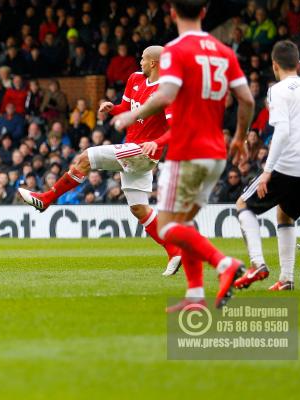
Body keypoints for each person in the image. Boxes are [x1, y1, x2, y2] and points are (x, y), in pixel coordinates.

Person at [112, 0, 255, 311]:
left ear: (173, 14)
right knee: (185, 223)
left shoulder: (175, 51)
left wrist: (129, 115)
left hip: (188, 150)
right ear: (204, 13)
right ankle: (195, 297)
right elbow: (246, 99)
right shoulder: (223, 51)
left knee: (166, 226)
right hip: (217, 151)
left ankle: (223, 262)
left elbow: (164, 95)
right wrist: (241, 138)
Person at [18, 45, 182, 276]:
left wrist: (157, 143)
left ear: (154, 63)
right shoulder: (135, 79)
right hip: (132, 149)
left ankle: (46, 198)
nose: (140, 62)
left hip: (142, 152)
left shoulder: (167, 92)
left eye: (144, 59)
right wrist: (113, 108)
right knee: (138, 208)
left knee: (86, 157)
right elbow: (128, 107)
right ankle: (174, 251)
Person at [235, 40, 300, 291]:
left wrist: (267, 171)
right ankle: (286, 279)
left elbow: (283, 132)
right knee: (284, 213)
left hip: (292, 163)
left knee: (243, 204)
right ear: (298, 64)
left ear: (274, 65)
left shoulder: (278, 89)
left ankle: (257, 263)